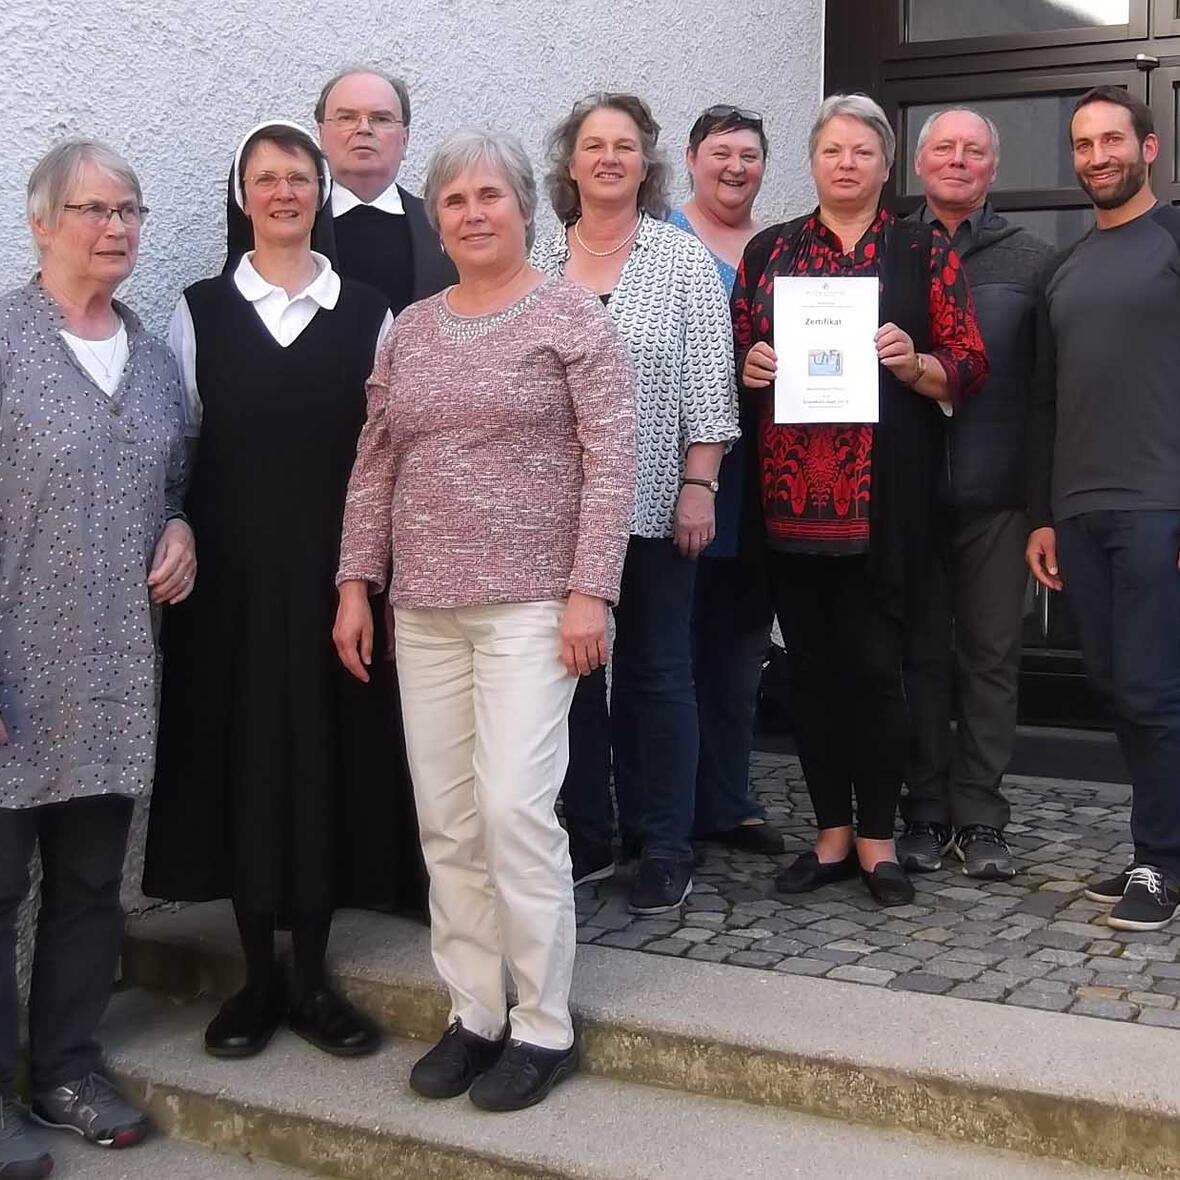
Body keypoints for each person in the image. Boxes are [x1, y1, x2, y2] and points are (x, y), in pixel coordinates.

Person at [334, 130, 634, 1111]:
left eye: (488, 195)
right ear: (437, 217)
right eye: (453, 198)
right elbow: (376, 459)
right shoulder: (412, 329)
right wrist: (353, 581)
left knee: (511, 810)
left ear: (521, 208)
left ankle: (544, 1023)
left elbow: (611, 454)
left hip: (532, 609)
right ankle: (475, 1011)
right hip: (422, 612)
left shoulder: (566, 313)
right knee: (450, 823)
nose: (471, 212)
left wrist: (592, 587)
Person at [143, 121, 399, 1061]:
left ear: (320, 192)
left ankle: (318, 979)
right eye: (266, 178)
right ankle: (257, 978)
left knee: (325, 759)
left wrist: (362, 577)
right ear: (242, 194)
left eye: (299, 177)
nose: (284, 192)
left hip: (337, 582)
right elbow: (176, 449)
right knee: (246, 764)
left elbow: (384, 456)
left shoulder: (370, 308)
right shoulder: (198, 310)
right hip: (232, 586)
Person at [734, 93, 988, 907]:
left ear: (886, 165)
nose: (847, 164)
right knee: (811, 673)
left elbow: (969, 363)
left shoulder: (921, 250)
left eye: (863, 152)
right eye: (832, 150)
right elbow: (737, 347)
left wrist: (915, 362)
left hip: (886, 499)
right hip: (790, 499)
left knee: (881, 671)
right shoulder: (771, 251)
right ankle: (831, 835)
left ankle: (878, 838)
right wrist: (752, 366)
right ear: (812, 162)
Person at [0, 139, 192, 1175]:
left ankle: (65, 1068)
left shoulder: (155, 362)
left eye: (129, 210)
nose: (114, 228)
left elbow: (171, 487)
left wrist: (180, 531)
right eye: (91, 209)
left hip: (114, 673)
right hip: (12, 675)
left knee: (85, 886)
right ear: (41, 221)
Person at [532, 93, 738, 915]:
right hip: (552, 512)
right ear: (570, 162)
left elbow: (710, 386)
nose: (610, 157)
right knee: (569, 678)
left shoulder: (678, 258)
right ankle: (586, 836)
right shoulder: (537, 257)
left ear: (646, 164)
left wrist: (700, 483)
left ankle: (663, 844)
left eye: (625, 145)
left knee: (657, 675)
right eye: (594, 144)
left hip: (655, 503)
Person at [1028, 85, 1180, 931]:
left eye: (1112, 141)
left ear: (1147, 148)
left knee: (1156, 691)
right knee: (1120, 689)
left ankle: (1160, 862)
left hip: (1161, 504)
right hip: (1080, 513)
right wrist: (1044, 515)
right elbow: (1045, 404)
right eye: (1083, 145)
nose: (1097, 158)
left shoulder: (1175, 240)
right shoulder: (1065, 267)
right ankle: (1159, 847)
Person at [898, 108, 1053, 880]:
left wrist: (1040, 502)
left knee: (992, 657)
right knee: (921, 656)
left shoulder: (1033, 259)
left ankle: (981, 815)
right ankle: (923, 809)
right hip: (910, 492)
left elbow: (1047, 389)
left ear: (993, 167)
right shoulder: (892, 248)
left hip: (997, 497)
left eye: (974, 151)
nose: (958, 161)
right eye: (944, 149)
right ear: (919, 164)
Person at [672, 103, 783, 857]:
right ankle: (665, 805)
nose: (736, 167)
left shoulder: (782, 249)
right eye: (721, 152)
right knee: (670, 646)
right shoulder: (661, 242)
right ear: (690, 158)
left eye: (749, 155)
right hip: (679, 474)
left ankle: (729, 800)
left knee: (739, 647)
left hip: (761, 477)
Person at [315, 67, 455, 315]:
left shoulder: (445, 224)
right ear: (321, 136)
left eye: (381, 118)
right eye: (347, 117)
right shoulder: (296, 224)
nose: (364, 129)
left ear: (405, 140)